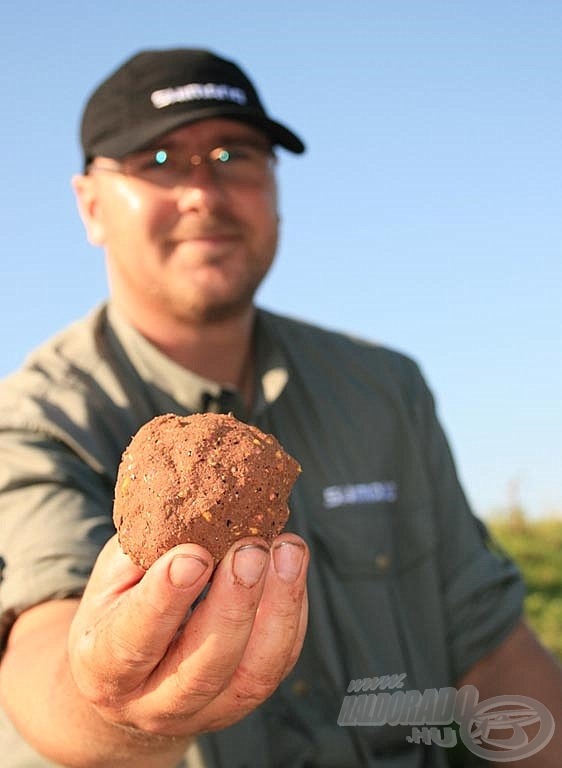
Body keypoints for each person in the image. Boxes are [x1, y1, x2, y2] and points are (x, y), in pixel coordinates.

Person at [0, 48, 560, 768]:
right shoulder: (35, 420)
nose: (203, 191)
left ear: (274, 188)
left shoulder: (385, 391)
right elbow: (36, 653)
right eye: (161, 159)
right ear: (90, 205)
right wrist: (116, 701)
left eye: (235, 154)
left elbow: (495, 650)